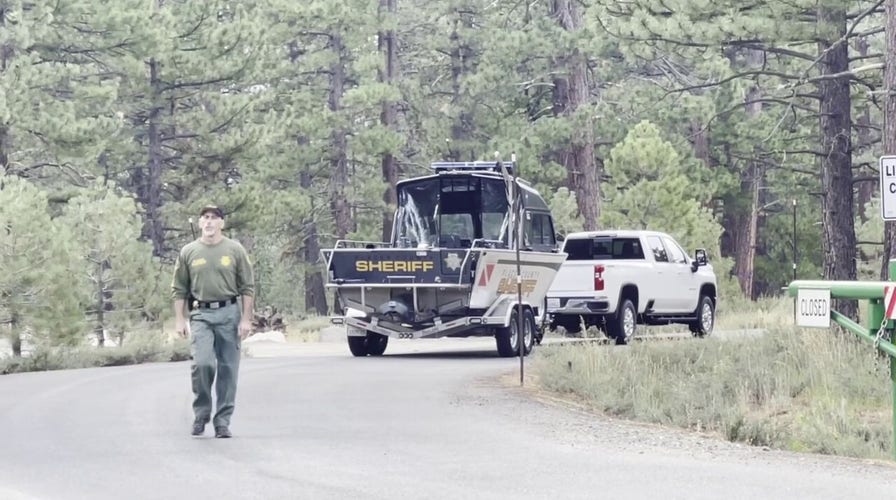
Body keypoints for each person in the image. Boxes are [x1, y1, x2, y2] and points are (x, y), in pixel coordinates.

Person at [171, 204, 255, 438]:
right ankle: (201, 412)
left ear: (222, 223)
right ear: (199, 223)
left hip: (229, 312)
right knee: (203, 364)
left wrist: (246, 319)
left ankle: (222, 421)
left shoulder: (234, 250)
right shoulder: (189, 251)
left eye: (214, 218)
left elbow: (247, 287)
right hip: (201, 315)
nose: (209, 222)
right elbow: (179, 288)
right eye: (205, 218)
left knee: (228, 369)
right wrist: (180, 319)